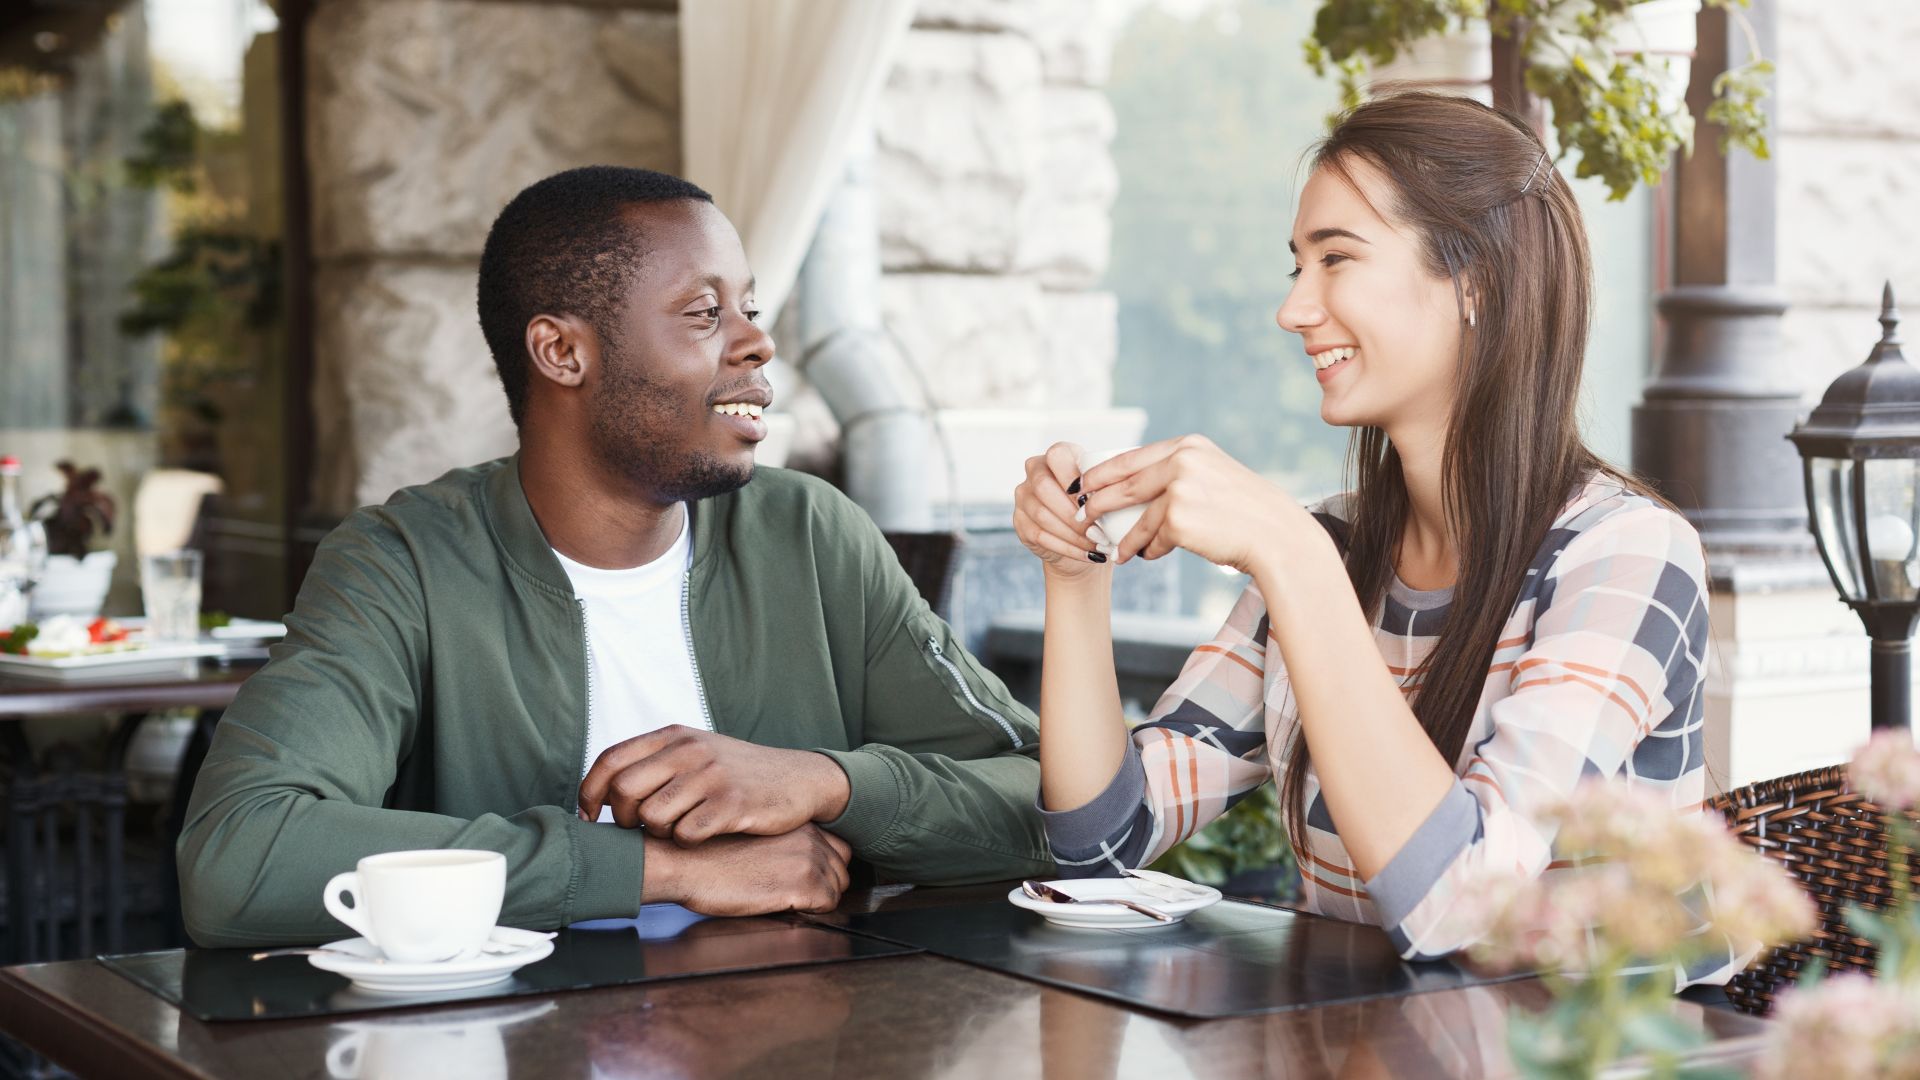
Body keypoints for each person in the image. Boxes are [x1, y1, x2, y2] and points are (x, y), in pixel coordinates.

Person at [178, 166, 1052, 947]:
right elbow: (240, 857)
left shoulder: (810, 534)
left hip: (795, 1038)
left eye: (749, 306)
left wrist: (825, 783)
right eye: (706, 313)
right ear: (563, 352)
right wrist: (657, 871)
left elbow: (1050, 806)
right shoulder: (404, 561)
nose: (756, 342)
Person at [1014, 92, 1737, 982]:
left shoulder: (1625, 556)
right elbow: (1100, 848)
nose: (1294, 309)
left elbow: (1465, 910)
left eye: (1337, 260)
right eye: (1296, 266)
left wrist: (1292, 559)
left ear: (1476, 280)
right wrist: (1075, 579)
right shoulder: (1336, 545)